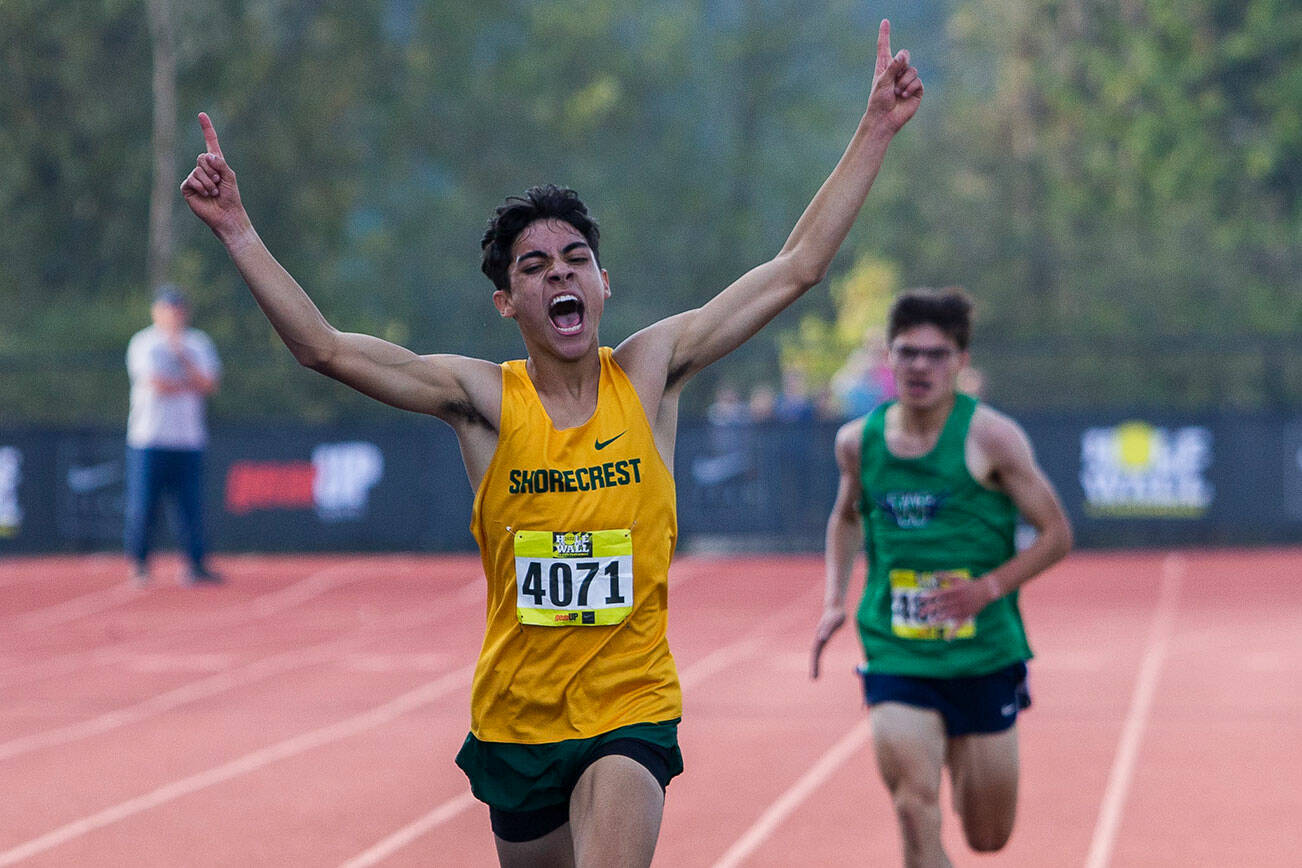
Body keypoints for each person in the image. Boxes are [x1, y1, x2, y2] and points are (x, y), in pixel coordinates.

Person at [182, 19, 921, 867]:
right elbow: (326, 348)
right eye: (534, 267)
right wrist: (238, 230)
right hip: (517, 720)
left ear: (604, 282)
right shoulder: (482, 401)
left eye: (576, 258)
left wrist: (873, 130)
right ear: (506, 301)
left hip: (629, 705)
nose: (559, 273)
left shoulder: (650, 370)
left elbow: (796, 267)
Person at [810, 287, 1072, 867]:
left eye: (935, 355)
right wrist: (834, 598)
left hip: (983, 655)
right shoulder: (857, 443)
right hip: (896, 652)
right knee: (913, 804)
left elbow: (1056, 535)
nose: (920, 366)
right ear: (890, 359)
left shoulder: (993, 439)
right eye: (907, 353)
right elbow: (845, 517)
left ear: (960, 361)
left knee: (987, 836)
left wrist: (986, 589)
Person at [124, 284, 223, 585]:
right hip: (149, 439)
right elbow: (156, 384)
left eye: (179, 309)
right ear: (157, 311)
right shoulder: (144, 343)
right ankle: (140, 564)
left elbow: (209, 384)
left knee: (190, 508)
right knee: (144, 507)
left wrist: (182, 356)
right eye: (169, 308)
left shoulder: (199, 343)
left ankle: (196, 564)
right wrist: (188, 384)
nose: (174, 314)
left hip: (189, 440)